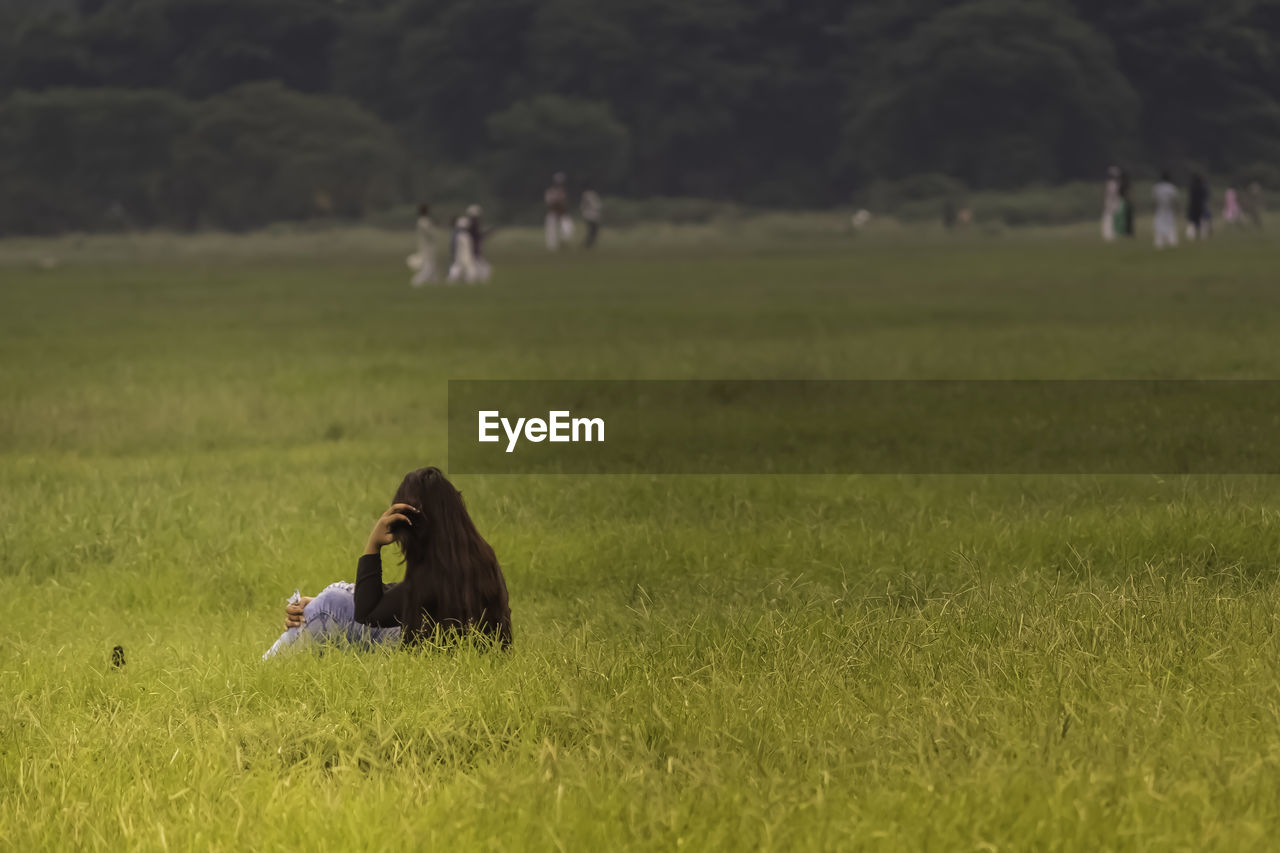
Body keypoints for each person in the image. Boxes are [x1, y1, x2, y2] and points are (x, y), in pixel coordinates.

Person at [263, 467, 511, 659]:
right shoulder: (480, 559)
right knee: (328, 602)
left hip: (425, 663)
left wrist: (373, 545)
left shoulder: (431, 577)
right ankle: (313, 614)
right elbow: (404, 596)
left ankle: (264, 669)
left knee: (331, 603)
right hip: (445, 658)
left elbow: (368, 613)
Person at [409, 203, 437, 286]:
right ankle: (416, 281)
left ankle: (433, 283)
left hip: (428, 247)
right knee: (428, 268)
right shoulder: (423, 221)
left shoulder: (425, 221)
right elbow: (429, 233)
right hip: (426, 248)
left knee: (432, 266)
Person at [1153, 170, 1180, 249]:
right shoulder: (1171, 188)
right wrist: (1177, 209)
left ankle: (1159, 242)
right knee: (1170, 225)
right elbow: (1175, 200)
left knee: (1158, 225)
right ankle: (1172, 241)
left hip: (1160, 208)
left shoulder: (1157, 187)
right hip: (1169, 209)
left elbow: (1154, 200)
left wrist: (1154, 208)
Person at [466, 204, 492, 282]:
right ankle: (481, 279)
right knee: (481, 265)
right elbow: (478, 235)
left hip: (473, 246)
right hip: (475, 246)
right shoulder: (474, 224)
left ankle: (473, 278)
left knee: (475, 264)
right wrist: (489, 232)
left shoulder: (471, 223)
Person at [448, 216, 478, 283]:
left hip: (460, 255)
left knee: (458, 265)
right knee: (467, 265)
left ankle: (453, 279)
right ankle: (470, 279)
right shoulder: (466, 236)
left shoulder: (459, 235)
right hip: (464, 255)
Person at [544, 172, 570, 251]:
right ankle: (552, 248)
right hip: (553, 213)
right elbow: (550, 203)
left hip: (562, 213)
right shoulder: (551, 191)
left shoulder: (563, 191)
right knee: (551, 232)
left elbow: (565, 203)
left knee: (567, 230)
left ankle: (563, 244)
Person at [1187, 174, 1210, 240]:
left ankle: (1191, 236)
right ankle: (1203, 236)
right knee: (1202, 221)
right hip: (1201, 207)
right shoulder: (1202, 188)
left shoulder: (1192, 188)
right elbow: (1205, 197)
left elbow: (1190, 198)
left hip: (1193, 207)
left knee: (1192, 222)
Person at [580, 182, 603, 248]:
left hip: (593, 215)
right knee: (592, 231)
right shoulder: (588, 194)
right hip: (590, 215)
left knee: (593, 231)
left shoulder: (590, 194)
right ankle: (587, 244)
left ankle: (589, 243)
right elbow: (596, 205)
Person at [1102, 167, 1121, 242]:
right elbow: (1112, 194)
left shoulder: (1112, 183)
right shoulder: (1112, 184)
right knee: (1109, 218)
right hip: (1111, 202)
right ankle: (1108, 234)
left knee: (1111, 218)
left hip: (1112, 201)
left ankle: (1111, 233)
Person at [1118, 168, 1135, 237]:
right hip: (1128, 202)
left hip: (1123, 202)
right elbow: (1130, 193)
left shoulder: (1122, 184)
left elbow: (1121, 193)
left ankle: (1125, 232)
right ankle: (1129, 232)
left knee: (1124, 218)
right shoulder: (1127, 183)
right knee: (1129, 218)